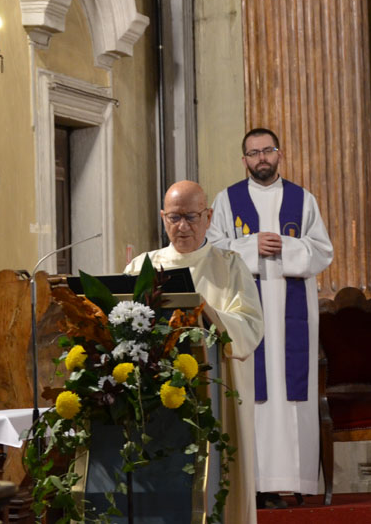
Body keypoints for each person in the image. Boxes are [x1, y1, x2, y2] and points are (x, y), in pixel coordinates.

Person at [207, 128, 333, 507]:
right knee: (254, 394)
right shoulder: (227, 200)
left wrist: (286, 246)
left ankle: (295, 480)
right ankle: (257, 484)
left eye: (267, 150)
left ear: (279, 154)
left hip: (293, 311)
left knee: (291, 395)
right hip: (247, 311)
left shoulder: (303, 199)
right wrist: (251, 245)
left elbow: (322, 250)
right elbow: (213, 249)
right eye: (253, 153)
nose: (261, 158)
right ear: (244, 159)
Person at [126, 180, 265, 524]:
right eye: (174, 218)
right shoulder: (143, 266)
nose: (182, 226)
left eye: (191, 217)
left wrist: (208, 315)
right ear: (163, 217)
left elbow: (250, 325)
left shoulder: (229, 266)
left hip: (212, 392)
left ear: (208, 217)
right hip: (154, 395)